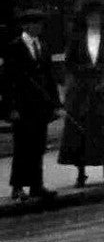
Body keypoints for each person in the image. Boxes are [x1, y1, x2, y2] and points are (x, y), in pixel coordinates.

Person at [57, 7, 104, 188]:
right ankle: (81, 173)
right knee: (80, 131)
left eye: (97, 18)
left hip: (103, 90)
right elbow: (69, 63)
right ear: (85, 20)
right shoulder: (77, 40)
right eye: (91, 18)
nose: (94, 21)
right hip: (82, 89)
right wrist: (82, 74)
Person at [1, 12, 62, 201]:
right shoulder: (14, 47)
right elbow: (7, 80)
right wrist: (11, 107)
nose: (38, 27)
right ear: (25, 26)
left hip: (40, 105)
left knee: (38, 146)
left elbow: (49, 78)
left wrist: (55, 103)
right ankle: (17, 187)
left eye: (40, 23)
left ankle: (37, 185)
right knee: (22, 146)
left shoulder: (43, 46)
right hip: (22, 105)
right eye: (34, 23)